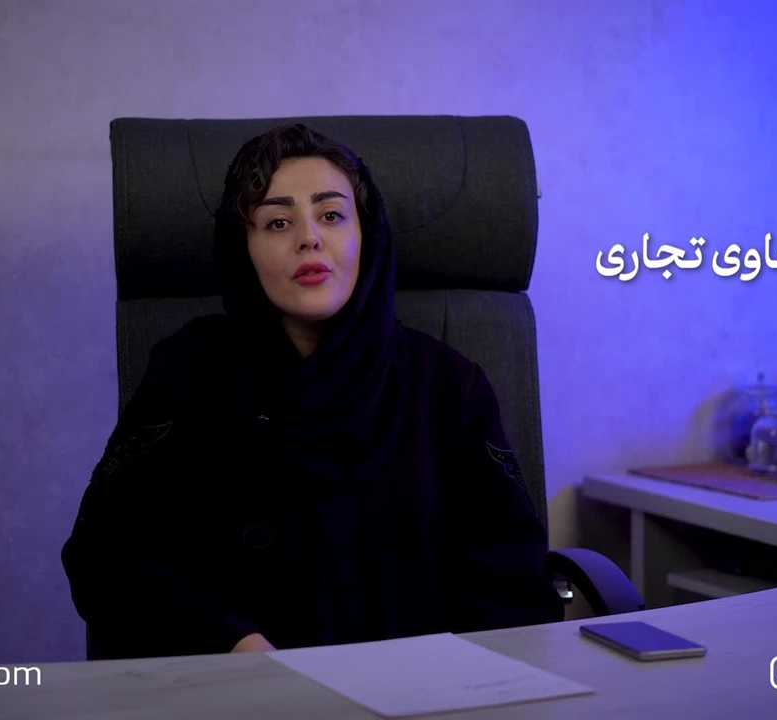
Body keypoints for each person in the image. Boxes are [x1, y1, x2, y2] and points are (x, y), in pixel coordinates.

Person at [60, 123, 563, 659]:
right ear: (242, 249)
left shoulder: (449, 387)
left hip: (424, 685)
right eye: (278, 222)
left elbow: (511, 582)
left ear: (367, 235)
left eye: (332, 215)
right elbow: (108, 554)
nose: (309, 238)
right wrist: (231, 642)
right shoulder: (189, 375)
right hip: (242, 687)